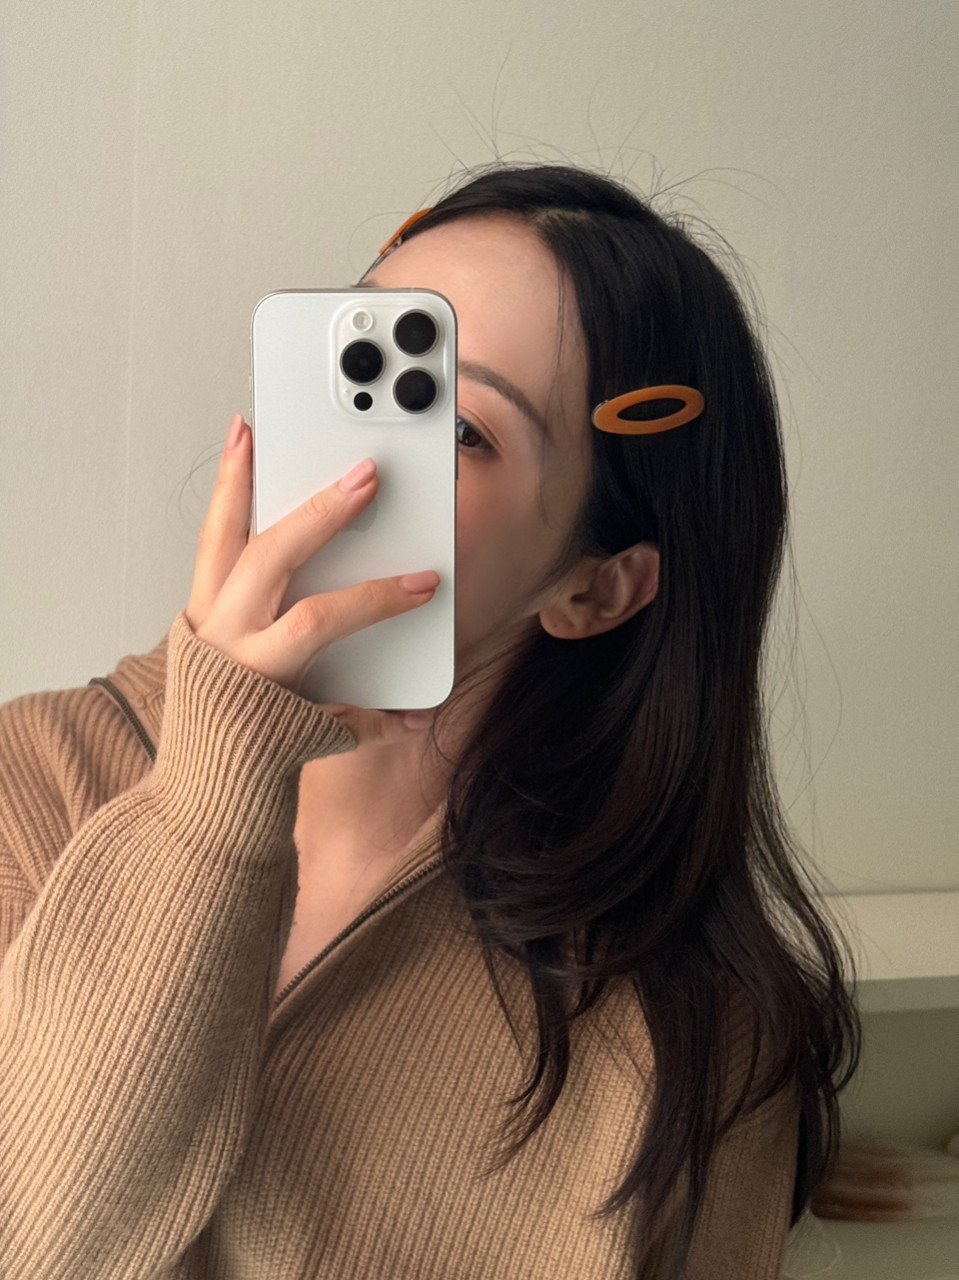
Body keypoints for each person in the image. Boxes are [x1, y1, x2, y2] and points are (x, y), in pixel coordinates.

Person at [0, 164, 860, 1279]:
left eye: (455, 424)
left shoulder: (696, 1031)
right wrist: (214, 795)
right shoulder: (40, 777)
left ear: (595, 587)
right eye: (350, 367)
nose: (354, 462)